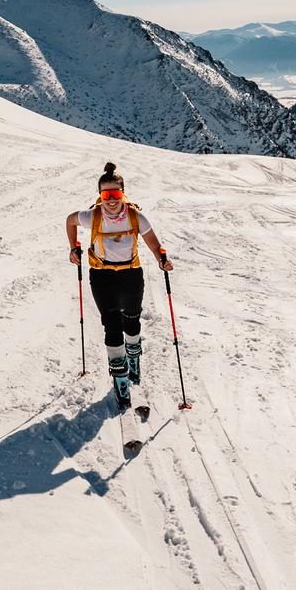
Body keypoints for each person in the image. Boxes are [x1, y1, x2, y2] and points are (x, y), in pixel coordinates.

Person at [65, 162, 172, 408]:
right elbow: (70, 221)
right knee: (111, 324)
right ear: (100, 196)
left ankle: (133, 358)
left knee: (132, 320)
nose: (111, 200)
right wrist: (73, 248)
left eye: (115, 194)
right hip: (102, 276)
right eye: (106, 195)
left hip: (130, 274)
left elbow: (153, 243)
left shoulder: (136, 217)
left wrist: (162, 260)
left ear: (123, 193)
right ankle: (120, 377)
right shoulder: (92, 216)